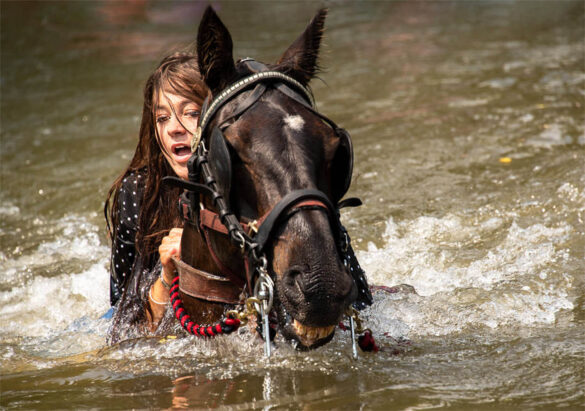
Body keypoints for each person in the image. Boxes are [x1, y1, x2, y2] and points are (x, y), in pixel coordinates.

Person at [104, 52, 207, 343]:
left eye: (191, 113)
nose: (174, 128)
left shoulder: (255, 186)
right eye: (162, 117)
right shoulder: (138, 192)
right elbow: (122, 332)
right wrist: (166, 275)